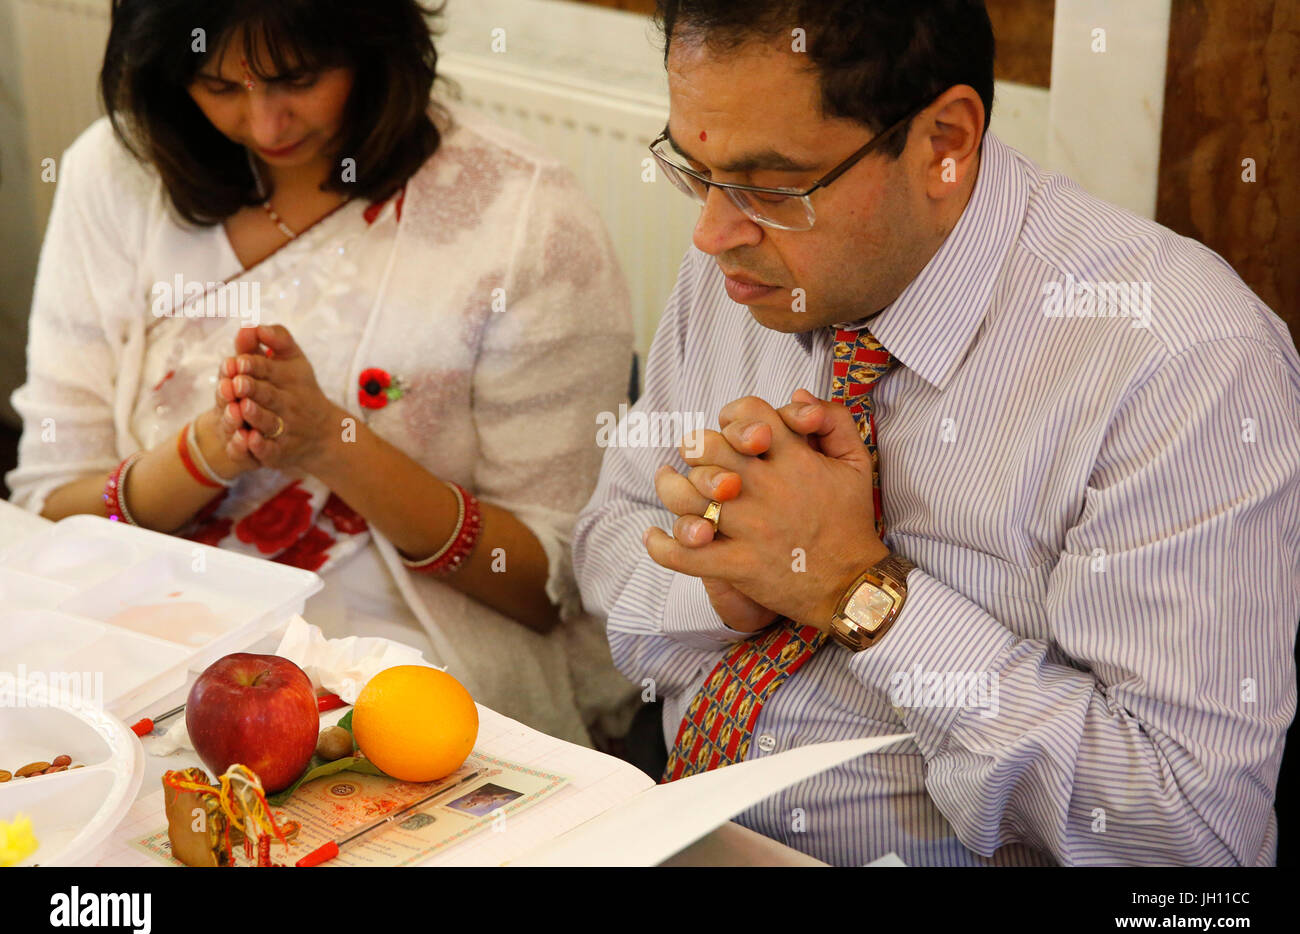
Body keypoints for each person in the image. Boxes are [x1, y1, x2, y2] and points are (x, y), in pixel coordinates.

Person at [574, 0, 1300, 865]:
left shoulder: (1177, 358)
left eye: (772, 187)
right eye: (693, 170)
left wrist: (859, 592)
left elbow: (1188, 836)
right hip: (676, 824)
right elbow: (606, 549)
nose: (710, 232)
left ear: (945, 144)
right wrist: (730, 586)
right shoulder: (741, 267)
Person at [7, 0, 640, 748]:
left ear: (372, 41)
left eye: (296, 79)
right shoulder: (115, 179)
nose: (267, 125)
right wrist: (205, 454)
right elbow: (51, 515)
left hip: (401, 668)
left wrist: (333, 442)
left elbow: (545, 585)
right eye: (219, 87)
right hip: (154, 646)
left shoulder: (518, 212)